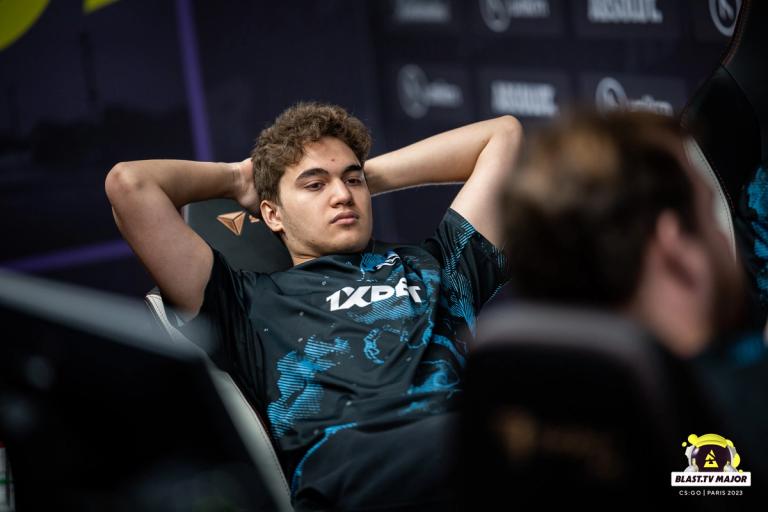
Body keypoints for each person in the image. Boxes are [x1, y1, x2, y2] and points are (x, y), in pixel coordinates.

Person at [105, 101, 522, 510]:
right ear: (272, 215)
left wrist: (366, 179)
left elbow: (503, 135)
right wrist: (237, 179)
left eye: (352, 180)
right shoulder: (245, 300)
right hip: (357, 485)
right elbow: (130, 184)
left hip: (476, 469)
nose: (341, 195)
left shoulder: (438, 265)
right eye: (314, 184)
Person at [498, 109, 767, 491]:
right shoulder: (746, 408)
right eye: (710, 213)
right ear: (674, 246)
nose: (726, 238)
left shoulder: (510, 428)